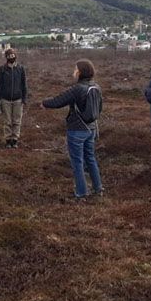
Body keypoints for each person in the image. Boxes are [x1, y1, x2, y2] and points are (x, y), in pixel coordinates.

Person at [41, 59, 103, 200]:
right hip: (91, 129)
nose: (73, 71)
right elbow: (99, 109)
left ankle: (81, 193)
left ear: (80, 72)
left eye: (75, 69)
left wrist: (44, 103)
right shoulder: (97, 87)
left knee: (77, 162)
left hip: (77, 130)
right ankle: (98, 188)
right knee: (90, 158)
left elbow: (59, 101)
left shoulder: (77, 89)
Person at [0, 47, 27, 148]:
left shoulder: (21, 69)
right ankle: (8, 140)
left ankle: (15, 139)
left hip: (18, 99)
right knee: (7, 121)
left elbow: (23, 84)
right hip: (5, 99)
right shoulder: (2, 69)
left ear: (16, 56)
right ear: (6, 57)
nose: (11, 58)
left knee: (17, 121)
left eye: (13, 56)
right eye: (9, 56)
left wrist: (24, 99)